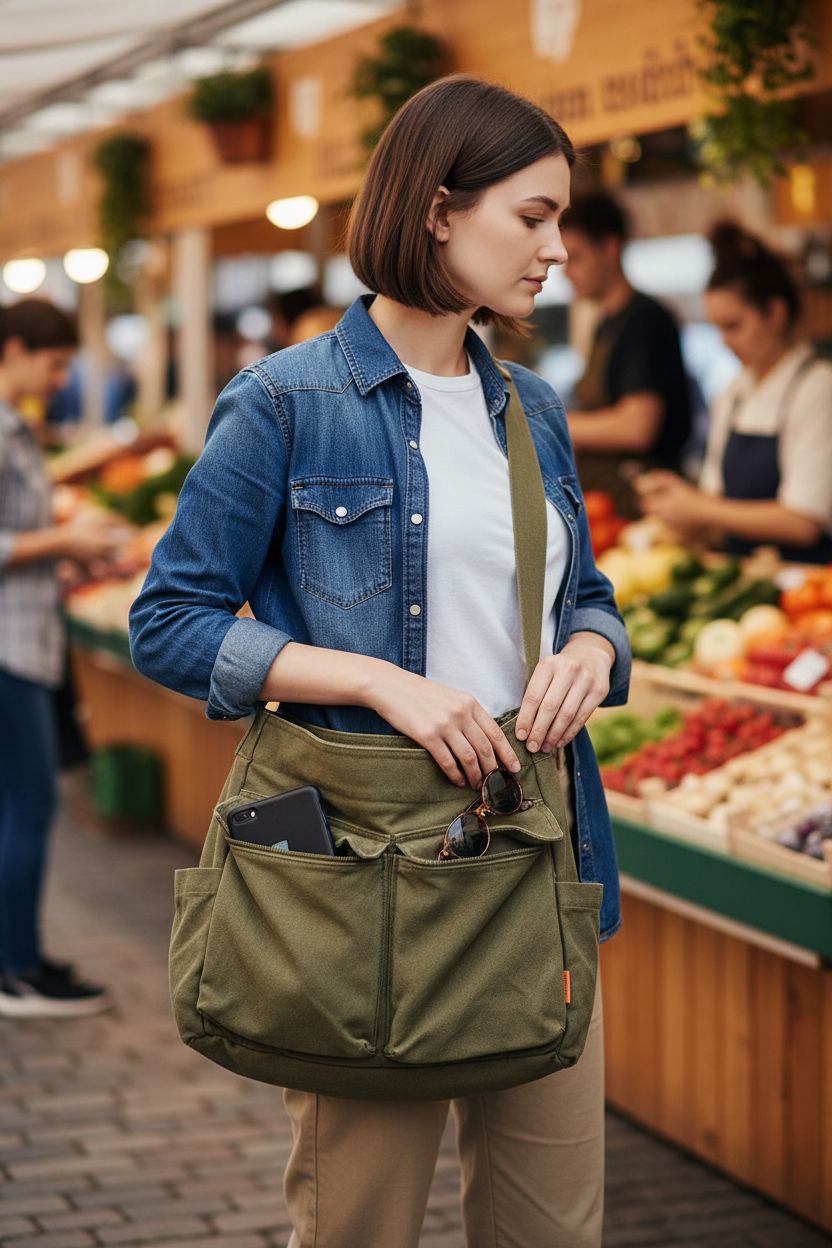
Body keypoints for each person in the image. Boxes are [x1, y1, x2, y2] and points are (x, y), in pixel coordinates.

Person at [130, 76, 631, 1248]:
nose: (557, 248)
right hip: (367, 877)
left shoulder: (533, 408)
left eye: (562, 220)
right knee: (361, 1227)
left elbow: (590, 600)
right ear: (439, 210)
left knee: (554, 1228)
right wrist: (374, 680)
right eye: (533, 215)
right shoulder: (286, 402)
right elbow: (172, 618)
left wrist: (596, 650)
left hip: (534, 860)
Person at [0, 299, 128, 1017]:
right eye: (53, 364)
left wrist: (59, 561)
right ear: (15, 348)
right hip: (10, 647)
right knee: (31, 805)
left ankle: (18, 954)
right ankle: (18, 970)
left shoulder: (19, 425)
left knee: (15, 806)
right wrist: (64, 545)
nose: (59, 379)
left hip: (24, 636)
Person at [639, 222, 832, 563]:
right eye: (717, 328)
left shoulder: (817, 387)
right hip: (742, 576)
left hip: (809, 583)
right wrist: (676, 504)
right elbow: (716, 507)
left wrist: (700, 508)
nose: (724, 342)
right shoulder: (733, 394)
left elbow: (804, 522)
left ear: (775, 313)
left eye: (734, 326)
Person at [561, 192, 692, 515]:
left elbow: (636, 428)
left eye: (576, 258)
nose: (566, 273)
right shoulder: (605, 323)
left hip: (647, 500)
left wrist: (550, 423)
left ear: (610, 248)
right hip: (604, 501)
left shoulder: (645, 320)